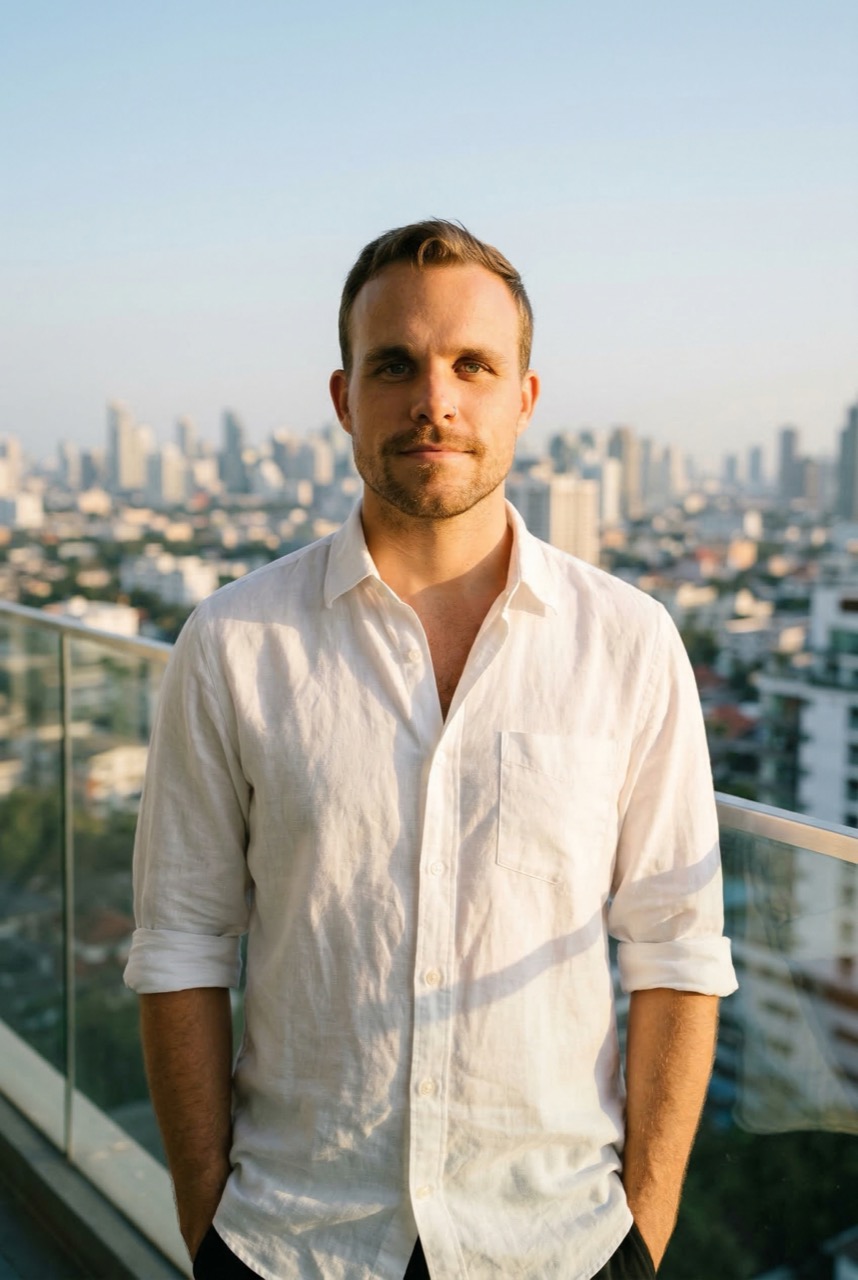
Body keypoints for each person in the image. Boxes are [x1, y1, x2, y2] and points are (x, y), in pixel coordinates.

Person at [125, 219, 737, 1280]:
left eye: (473, 365)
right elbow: (179, 942)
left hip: (559, 1242)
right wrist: (204, 1219)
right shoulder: (232, 643)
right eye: (396, 364)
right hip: (291, 1242)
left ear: (525, 399)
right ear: (343, 396)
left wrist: (644, 1227)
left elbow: (678, 949)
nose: (435, 400)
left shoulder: (629, 644)